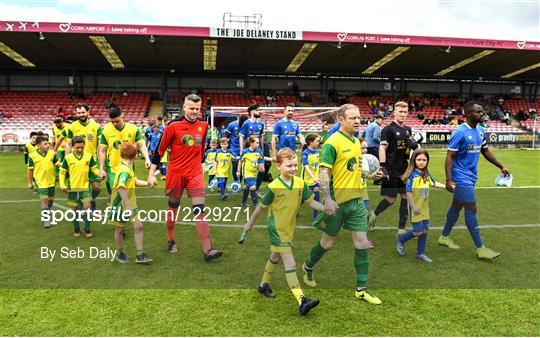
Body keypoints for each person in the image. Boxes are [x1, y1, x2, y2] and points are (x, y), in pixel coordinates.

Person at [301, 104, 382, 305]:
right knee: (327, 244)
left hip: (355, 203)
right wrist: (327, 198)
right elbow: (324, 172)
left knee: (361, 243)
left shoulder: (355, 141)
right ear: (341, 119)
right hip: (336, 203)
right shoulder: (332, 142)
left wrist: (371, 175)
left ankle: (361, 289)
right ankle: (308, 266)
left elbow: (353, 169)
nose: (357, 121)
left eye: (359, 117)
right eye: (352, 118)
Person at [242, 148, 327, 315]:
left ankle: (263, 285)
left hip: (289, 227)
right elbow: (260, 208)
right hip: (276, 229)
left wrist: (326, 208)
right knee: (290, 263)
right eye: (289, 165)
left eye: (295, 165)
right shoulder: (273, 187)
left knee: (275, 257)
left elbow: (311, 202)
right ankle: (302, 300)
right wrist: (249, 224)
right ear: (278, 166)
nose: (294, 168)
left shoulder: (300, 183)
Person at [147, 94, 222, 261]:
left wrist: (202, 164)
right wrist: (151, 173)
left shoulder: (204, 125)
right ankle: (170, 239)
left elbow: (201, 150)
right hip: (176, 174)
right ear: (184, 107)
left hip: (195, 174)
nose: (194, 111)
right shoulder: (173, 126)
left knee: (200, 211)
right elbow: (159, 151)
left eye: (197, 108)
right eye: (191, 108)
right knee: (173, 207)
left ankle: (208, 250)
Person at [439, 101, 510, 260]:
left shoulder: (481, 130)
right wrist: (448, 179)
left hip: (471, 177)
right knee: (471, 209)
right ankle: (481, 248)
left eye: (482, 111)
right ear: (469, 114)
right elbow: (450, 156)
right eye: (478, 112)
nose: (482, 114)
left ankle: (444, 237)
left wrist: (501, 166)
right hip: (460, 177)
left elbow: (485, 151)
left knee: (456, 207)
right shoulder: (459, 132)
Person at [369, 101, 419, 235]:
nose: (403, 114)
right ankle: (373, 215)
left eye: (405, 112)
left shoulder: (408, 129)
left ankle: (401, 229)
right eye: (400, 112)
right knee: (391, 200)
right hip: (390, 170)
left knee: (405, 197)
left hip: (404, 169)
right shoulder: (388, 129)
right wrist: (383, 166)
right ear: (394, 113)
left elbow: (410, 149)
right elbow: (382, 147)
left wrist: (414, 145)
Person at [395, 149, 445, 263]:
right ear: (414, 160)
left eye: (424, 160)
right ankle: (401, 240)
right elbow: (408, 192)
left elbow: (434, 183)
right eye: (419, 160)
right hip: (415, 208)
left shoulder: (426, 174)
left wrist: (447, 186)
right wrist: (413, 207)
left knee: (425, 230)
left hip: (424, 208)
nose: (422, 162)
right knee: (418, 232)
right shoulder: (412, 176)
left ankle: (420, 253)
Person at [108, 143, 152, 264]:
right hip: (120, 206)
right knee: (119, 230)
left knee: (138, 226)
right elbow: (121, 188)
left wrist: (148, 184)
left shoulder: (127, 168)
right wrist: (127, 206)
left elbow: (135, 181)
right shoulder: (124, 170)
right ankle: (120, 253)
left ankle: (140, 254)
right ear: (135, 156)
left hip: (130, 204)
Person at [55, 103, 102, 210]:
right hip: (75, 162)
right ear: (76, 113)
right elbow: (68, 143)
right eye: (79, 112)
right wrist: (66, 158)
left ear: (88, 112)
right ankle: (80, 203)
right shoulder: (72, 126)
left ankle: (92, 198)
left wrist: (99, 155)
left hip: (92, 161)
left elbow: (101, 142)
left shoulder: (96, 126)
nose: (81, 114)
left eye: (83, 112)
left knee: (97, 187)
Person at [99, 106, 151, 197]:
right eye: (112, 122)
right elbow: (102, 150)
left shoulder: (133, 129)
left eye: (117, 121)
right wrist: (101, 168)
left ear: (122, 115)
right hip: (113, 168)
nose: (114, 124)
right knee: (118, 194)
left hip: (129, 167)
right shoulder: (106, 130)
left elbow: (142, 145)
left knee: (128, 193)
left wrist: (147, 158)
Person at [59, 136, 99, 237]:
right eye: (77, 147)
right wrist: (62, 184)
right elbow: (62, 172)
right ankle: (76, 228)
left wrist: (100, 174)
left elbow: (94, 169)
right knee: (74, 210)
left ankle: (87, 228)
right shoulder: (68, 158)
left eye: (82, 147)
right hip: (72, 189)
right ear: (72, 147)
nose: (80, 149)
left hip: (85, 187)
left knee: (88, 208)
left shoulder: (89, 156)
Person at [27, 136, 58, 228]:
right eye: (45, 144)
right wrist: (30, 182)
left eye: (48, 143)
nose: (48, 145)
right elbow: (30, 170)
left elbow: (57, 164)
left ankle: (47, 211)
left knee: (51, 200)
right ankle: (46, 219)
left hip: (51, 181)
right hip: (40, 182)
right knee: (44, 200)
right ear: (38, 145)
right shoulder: (32, 156)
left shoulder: (52, 153)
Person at [239, 104, 266, 189]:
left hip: (258, 150)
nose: (259, 111)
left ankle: (256, 188)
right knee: (250, 169)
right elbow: (241, 136)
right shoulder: (246, 123)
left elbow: (261, 137)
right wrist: (241, 150)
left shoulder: (261, 124)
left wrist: (262, 148)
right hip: (249, 150)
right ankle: (249, 185)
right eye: (257, 110)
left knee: (262, 170)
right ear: (252, 112)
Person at [237, 136, 265, 207]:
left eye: (259, 142)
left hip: (254, 173)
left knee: (247, 187)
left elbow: (263, 158)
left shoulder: (258, 151)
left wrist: (272, 159)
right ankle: (256, 204)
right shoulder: (245, 152)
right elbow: (240, 161)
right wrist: (238, 171)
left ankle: (243, 202)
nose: (258, 144)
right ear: (251, 143)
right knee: (253, 187)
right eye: (257, 142)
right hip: (247, 173)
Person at [301, 133, 321, 219]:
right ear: (311, 142)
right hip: (307, 180)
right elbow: (306, 167)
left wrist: (320, 174)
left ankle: (315, 216)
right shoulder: (305, 153)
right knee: (303, 198)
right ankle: (293, 210)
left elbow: (317, 164)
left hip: (315, 179)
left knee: (316, 196)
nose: (318, 143)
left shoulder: (316, 151)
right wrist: (313, 178)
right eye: (317, 141)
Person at [225, 115, 247, 182]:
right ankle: (236, 182)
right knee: (235, 164)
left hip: (244, 148)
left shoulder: (247, 125)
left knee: (243, 166)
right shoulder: (232, 125)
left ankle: (239, 182)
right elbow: (226, 135)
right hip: (233, 149)